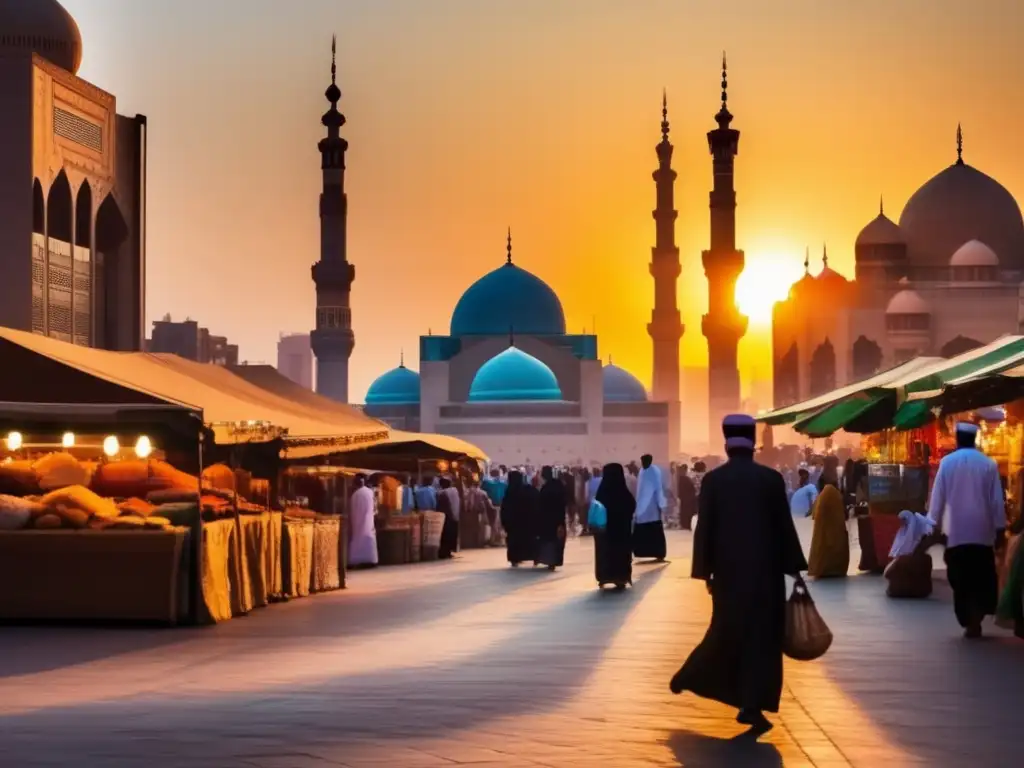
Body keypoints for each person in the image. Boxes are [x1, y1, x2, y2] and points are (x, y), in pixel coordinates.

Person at [670, 414, 808, 736]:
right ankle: (751, 703)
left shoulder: (714, 481)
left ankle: (695, 676)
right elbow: (783, 529)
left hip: (730, 576)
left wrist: (706, 571)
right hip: (766, 576)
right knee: (762, 639)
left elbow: (705, 529)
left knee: (727, 632)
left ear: (726, 444)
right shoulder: (771, 480)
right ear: (754, 443)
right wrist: (795, 568)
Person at [928, 422, 1006, 638]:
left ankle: (969, 619)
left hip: (956, 532)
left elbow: (937, 499)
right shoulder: (988, 465)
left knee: (960, 577)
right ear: (974, 439)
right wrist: (1000, 529)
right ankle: (977, 616)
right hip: (982, 532)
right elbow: (996, 501)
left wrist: (932, 524)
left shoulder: (947, 463)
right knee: (981, 576)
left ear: (957, 439)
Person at [593, 462, 636, 588]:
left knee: (605, 552)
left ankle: (605, 576)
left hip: (605, 532)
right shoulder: (624, 493)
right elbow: (632, 506)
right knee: (621, 552)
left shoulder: (602, 492)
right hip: (621, 532)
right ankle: (621, 576)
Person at [807, 483, 850, 578]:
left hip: (823, 534)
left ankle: (822, 568)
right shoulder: (835, 495)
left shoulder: (822, 497)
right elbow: (845, 515)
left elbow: (813, 515)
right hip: (836, 533)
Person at [501, 470, 539, 566]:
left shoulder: (509, 492)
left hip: (513, 524)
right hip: (528, 522)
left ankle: (515, 559)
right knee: (529, 540)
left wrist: (505, 523)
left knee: (514, 541)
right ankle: (534, 557)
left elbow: (505, 509)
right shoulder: (529, 490)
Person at [633, 454, 667, 561]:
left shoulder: (654, 472)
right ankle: (642, 552)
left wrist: (661, 504)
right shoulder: (642, 471)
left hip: (652, 508)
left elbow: (659, 489)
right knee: (642, 530)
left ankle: (659, 554)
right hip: (641, 507)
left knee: (654, 531)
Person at [536, 466, 567, 570]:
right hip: (559, 516)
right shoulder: (559, 485)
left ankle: (550, 561)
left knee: (549, 539)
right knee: (557, 539)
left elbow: (541, 504)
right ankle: (555, 561)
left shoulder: (546, 488)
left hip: (547, 518)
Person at [348, 474, 379, 568]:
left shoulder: (355, 495)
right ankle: (370, 560)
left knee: (357, 540)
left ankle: (356, 560)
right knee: (368, 539)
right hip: (368, 521)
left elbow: (352, 510)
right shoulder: (369, 492)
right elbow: (375, 508)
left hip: (357, 522)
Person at [436, 476, 461, 559]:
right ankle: (448, 552)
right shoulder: (454, 491)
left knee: (445, 536)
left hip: (446, 517)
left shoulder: (442, 493)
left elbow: (440, 506)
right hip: (455, 516)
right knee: (451, 536)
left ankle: (444, 553)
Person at [677, 464, 698, 532]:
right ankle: (687, 525)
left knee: (686, 512)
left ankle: (686, 525)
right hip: (688, 499)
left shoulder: (682, 478)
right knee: (688, 512)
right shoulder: (684, 478)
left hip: (687, 499)